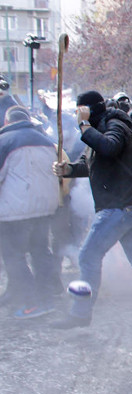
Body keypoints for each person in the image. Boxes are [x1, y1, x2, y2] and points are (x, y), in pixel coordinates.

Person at [51, 91, 132, 330]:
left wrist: (84, 126)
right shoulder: (101, 126)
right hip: (125, 205)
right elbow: (91, 163)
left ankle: (80, 313)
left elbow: (109, 147)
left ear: (88, 109)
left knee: (88, 255)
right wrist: (69, 170)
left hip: (121, 206)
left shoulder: (115, 123)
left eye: (80, 110)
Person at [0, 106, 61, 318]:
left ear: (7, 122)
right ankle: (46, 299)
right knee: (40, 252)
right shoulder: (46, 140)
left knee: (14, 256)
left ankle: (31, 302)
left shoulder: (4, 141)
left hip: (15, 211)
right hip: (45, 207)